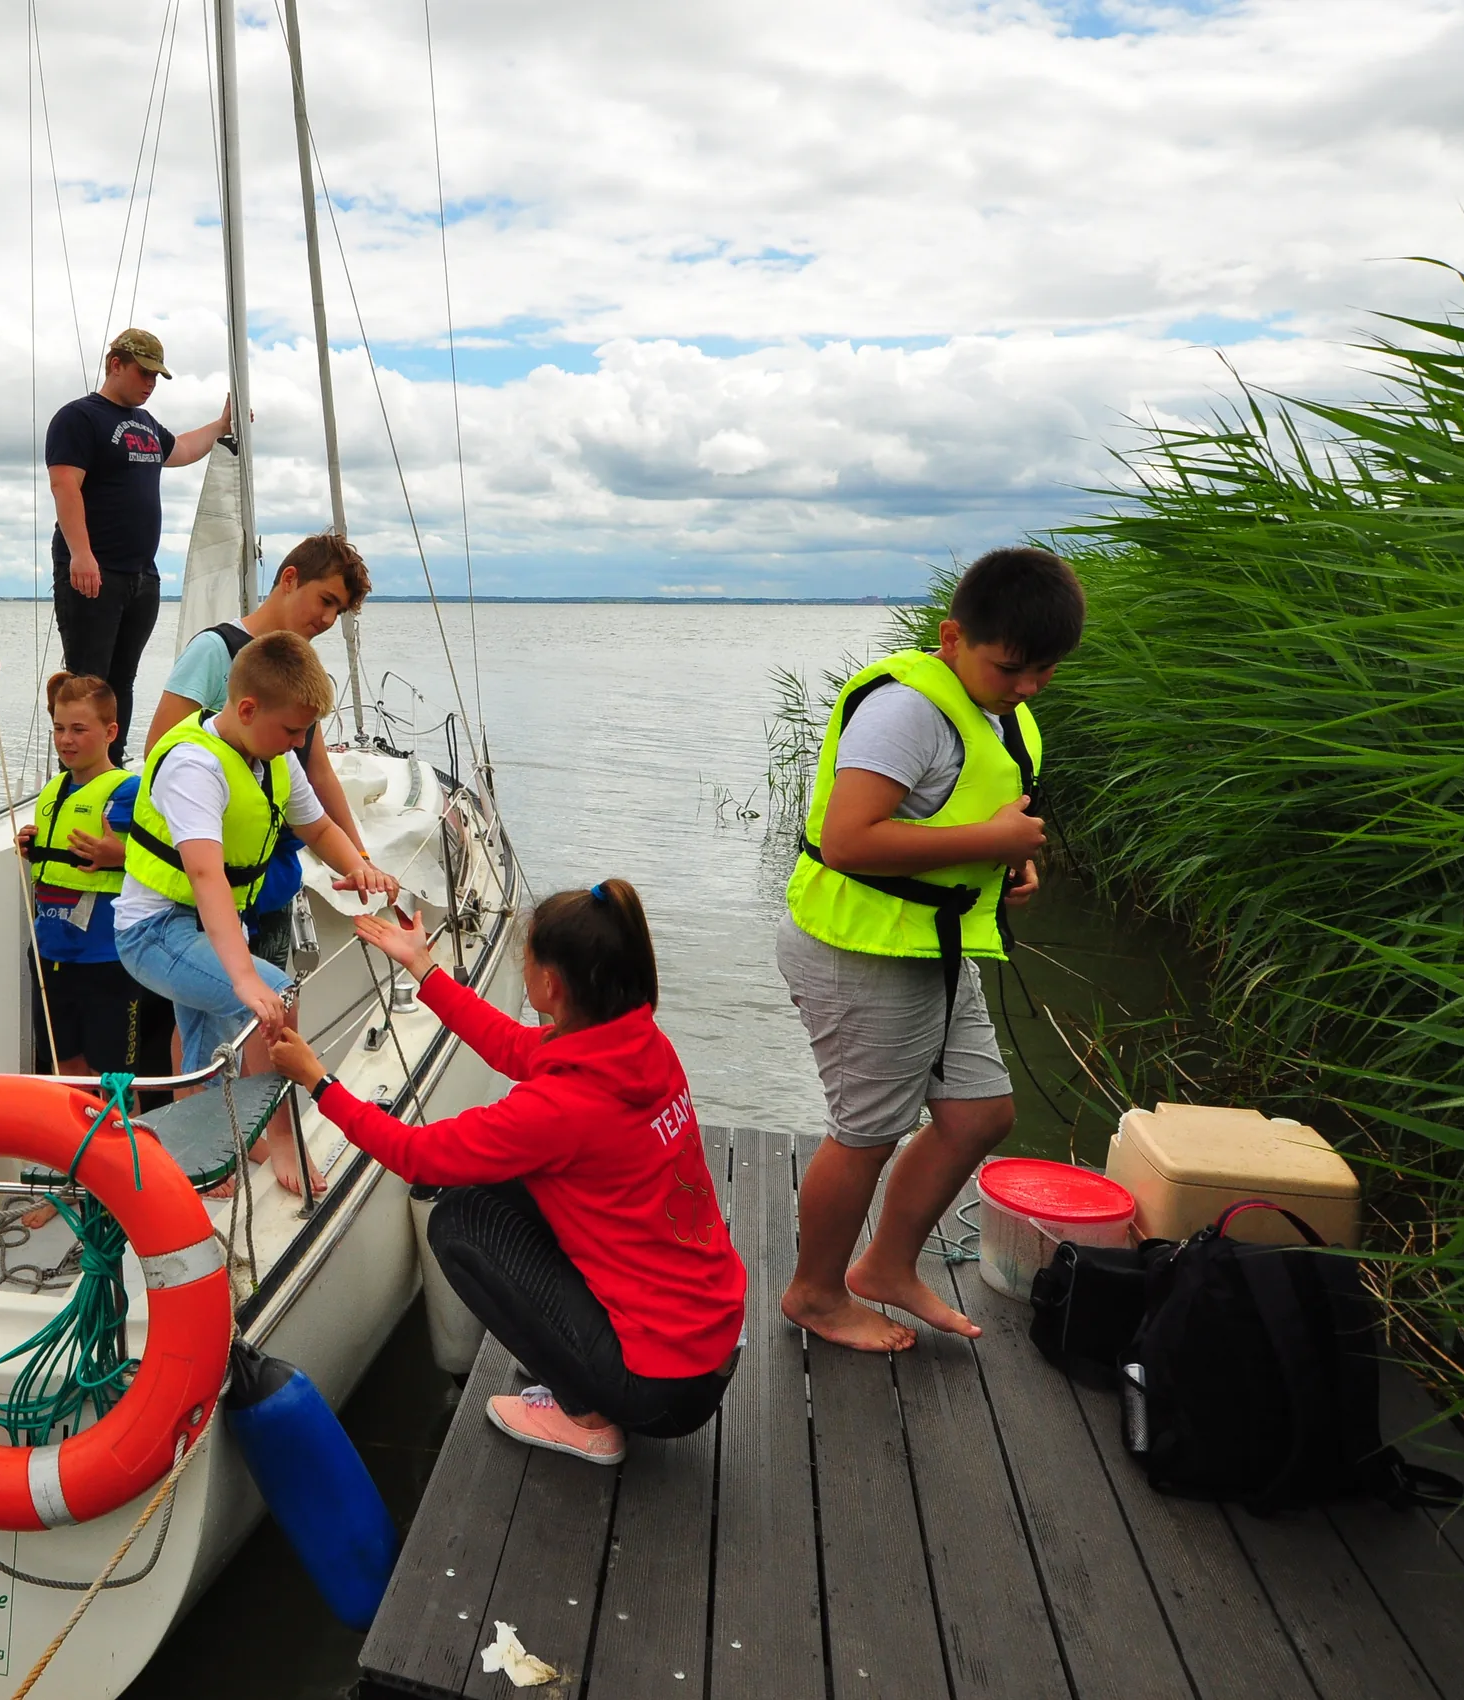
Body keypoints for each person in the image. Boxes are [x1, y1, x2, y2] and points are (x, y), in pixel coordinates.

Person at [267, 882, 747, 1464]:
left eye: (527, 958)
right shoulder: (637, 1044)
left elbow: (416, 1156)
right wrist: (424, 966)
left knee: (458, 1224)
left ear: (551, 984)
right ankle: (577, 1354)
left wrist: (319, 1083)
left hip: (661, 1391)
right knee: (503, 1187)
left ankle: (586, 1415)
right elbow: (511, 1045)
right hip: (703, 1346)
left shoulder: (563, 1106)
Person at [776, 546, 1084, 1352]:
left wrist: (1009, 859)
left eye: (1044, 673)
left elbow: (958, 814)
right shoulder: (908, 711)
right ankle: (814, 1293)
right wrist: (989, 836)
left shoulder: (999, 709)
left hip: (932, 945)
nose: (1025, 688)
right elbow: (847, 840)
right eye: (1011, 668)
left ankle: (884, 1267)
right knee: (866, 1131)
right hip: (860, 947)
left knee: (980, 1114)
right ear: (951, 637)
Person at [114, 631, 397, 1193]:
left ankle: (203, 1150)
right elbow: (204, 873)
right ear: (246, 709)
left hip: (207, 929)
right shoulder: (195, 765)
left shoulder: (274, 759)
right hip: (155, 932)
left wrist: (359, 863)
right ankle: (284, 1137)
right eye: (292, 730)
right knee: (275, 997)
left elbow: (315, 827)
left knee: (204, 1043)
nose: (298, 744)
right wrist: (245, 975)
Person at [143, 531, 375, 968]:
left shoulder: (301, 665)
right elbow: (160, 750)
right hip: (214, 873)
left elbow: (317, 770)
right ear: (289, 578)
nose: (328, 619)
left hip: (276, 870)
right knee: (213, 1012)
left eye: (338, 611)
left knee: (278, 1007)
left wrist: (360, 858)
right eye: (325, 601)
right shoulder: (215, 651)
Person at [47, 327, 235, 764]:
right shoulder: (80, 417)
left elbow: (183, 449)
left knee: (121, 682)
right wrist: (81, 553)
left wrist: (221, 426)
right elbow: (64, 485)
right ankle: (75, 773)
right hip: (94, 570)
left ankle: (113, 764)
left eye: (156, 377)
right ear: (116, 365)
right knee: (87, 683)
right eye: (144, 373)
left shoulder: (146, 425)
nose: (150, 383)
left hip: (141, 575)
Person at [11, 673, 153, 1080]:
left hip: (106, 960)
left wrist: (121, 854)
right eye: (58, 728)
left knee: (116, 1079)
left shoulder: (129, 791)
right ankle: (75, 1143)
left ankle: (123, 1143)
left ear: (110, 731)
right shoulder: (53, 791)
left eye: (78, 729)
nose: (65, 740)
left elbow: (172, 859)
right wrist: (31, 846)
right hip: (51, 955)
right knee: (65, 1065)